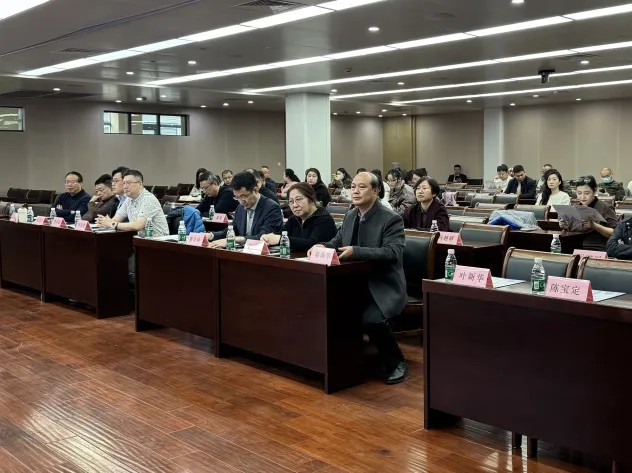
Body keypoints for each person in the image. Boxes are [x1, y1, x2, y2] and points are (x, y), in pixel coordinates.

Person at [308, 172, 408, 384]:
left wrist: (356, 251)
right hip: (352, 283)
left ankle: (396, 362)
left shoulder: (391, 218)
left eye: (361, 187)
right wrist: (321, 247)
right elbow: (337, 241)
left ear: (376, 190)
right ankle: (342, 362)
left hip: (382, 285)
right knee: (326, 309)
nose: (355, 191)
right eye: (353, 186)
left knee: (371, 320)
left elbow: (392, 253)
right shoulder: (351, 214)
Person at [208, 171, 283, 247]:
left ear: (255, 190)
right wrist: (210, 235)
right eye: (237, 197)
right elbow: (231, 230)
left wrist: (236, 239)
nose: (241, 201)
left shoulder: (272, 208)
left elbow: (264, 237)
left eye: (244, 196)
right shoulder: (240, 207)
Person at [261, 183, 337, 251]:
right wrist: (268, 238)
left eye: (298, 199)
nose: (295, 205)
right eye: (291, 201)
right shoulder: (294, 219)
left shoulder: (324, 219)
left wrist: (280, 239)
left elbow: (313, 244)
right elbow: (280, 234)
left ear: (311, 199)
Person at [95, 169, 169, 237]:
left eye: (128, 183)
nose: (125, 186)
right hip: (140, 240)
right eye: (124, 183)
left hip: (158, 241)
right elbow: (115, 219)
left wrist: (113, 224)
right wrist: (104, 222)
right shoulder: (129, 199)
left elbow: (138, 225)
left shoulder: (148, 199)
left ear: (140, 184)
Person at [559, 176, 618, 251]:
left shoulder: (605, 208)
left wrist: (595, 226)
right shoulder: (574, 208)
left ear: (594, 191)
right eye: (579, 193)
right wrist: (564, 225)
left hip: (596, 247)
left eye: (587, 193)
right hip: (573, 245)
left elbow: (615, 233)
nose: (582, 197)